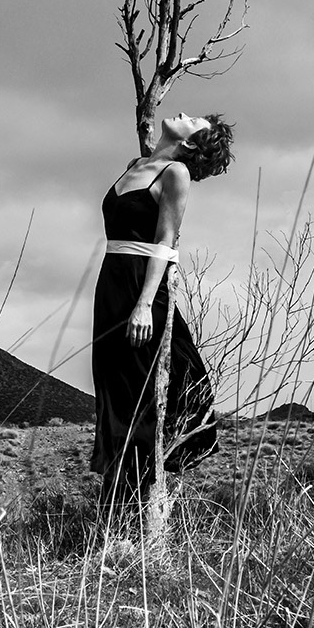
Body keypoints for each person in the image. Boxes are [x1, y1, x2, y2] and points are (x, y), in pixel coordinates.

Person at [90, 110, 232, 522]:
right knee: (116, 397)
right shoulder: (137, 166)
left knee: (151, 397)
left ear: (190, 144)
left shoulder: (175, 174)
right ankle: (113, 518)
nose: (186, 113)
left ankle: (139, 517)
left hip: (141, 288)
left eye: (196, 122)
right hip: (110, 286)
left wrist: (143, 304)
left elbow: (165, 242)